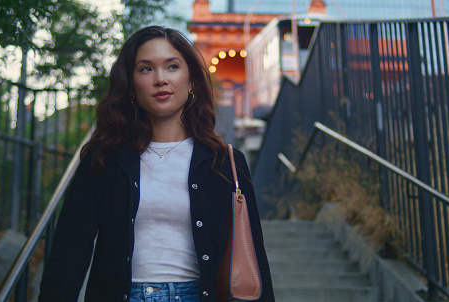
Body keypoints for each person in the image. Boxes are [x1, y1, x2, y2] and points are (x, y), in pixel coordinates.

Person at [38, 26, 275, 302]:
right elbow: (70, 250)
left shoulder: (225, 163)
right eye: (146, 69)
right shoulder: (104, 158)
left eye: (172, 66)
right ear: (131, 83)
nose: (161, 79)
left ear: (191, 81)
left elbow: (253, 252)